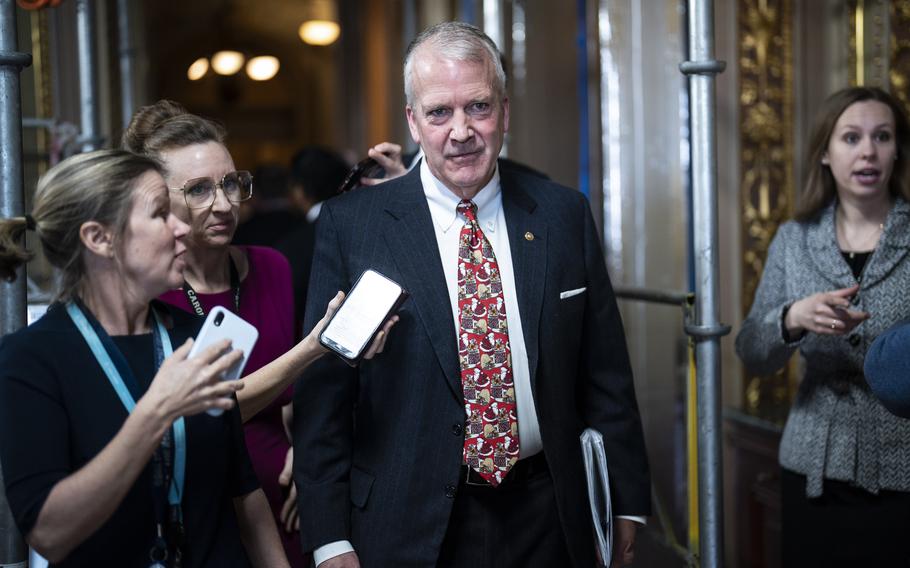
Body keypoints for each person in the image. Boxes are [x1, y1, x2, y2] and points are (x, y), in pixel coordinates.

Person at [294, 21, 650, 568]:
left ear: (504, 112)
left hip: (547, 514)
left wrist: (627, 500)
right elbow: (326, 398)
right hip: (406, 523)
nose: (461, 131)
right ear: (413, 121)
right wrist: (329, 539)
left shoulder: (562, 214)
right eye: (439, 112)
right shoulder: (354, 227)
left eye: (478, 107)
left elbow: (605, 374)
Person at [122, 101, 394, 567]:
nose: (225, 203)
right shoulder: (150, 293)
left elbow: (291, 397)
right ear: (158, 198)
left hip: (285, 503)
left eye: (230, 183)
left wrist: (302, 451)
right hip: (201, 509)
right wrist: (314, 348)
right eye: (200, 190)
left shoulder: (271, 266)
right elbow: (203, 413)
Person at [0, 149, 289, 566]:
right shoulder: (32, 360)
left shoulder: (195, 336)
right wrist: (155, 413)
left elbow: (244, 493)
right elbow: (49, 533)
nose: (180, 227)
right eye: (159, 214)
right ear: (100, 239)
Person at [735, 86, 910, 567]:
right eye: (851, 137)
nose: (868, 151)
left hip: (903, 468)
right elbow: (751, 349)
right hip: (814, 468)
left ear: (897, 150)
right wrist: (792, 319)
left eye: (882, 137)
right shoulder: (794, 240)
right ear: (826, 154)